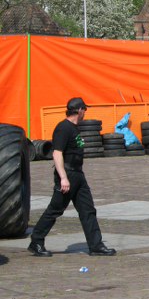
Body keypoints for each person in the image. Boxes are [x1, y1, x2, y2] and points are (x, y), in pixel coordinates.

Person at [28, 98, 116, 257]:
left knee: (88, 210)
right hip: (67, 174)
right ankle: (36, 241)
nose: (85, 113)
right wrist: (63, 178)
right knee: (55, 209)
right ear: (79, 110)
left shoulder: (74, 128)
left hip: (78, 175)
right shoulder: (63, 128)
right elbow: (57, 153)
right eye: (85, 110)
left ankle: (96, 245)